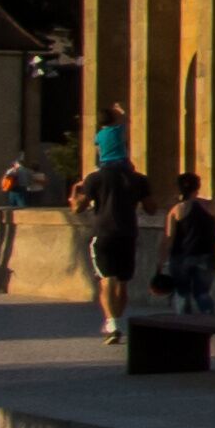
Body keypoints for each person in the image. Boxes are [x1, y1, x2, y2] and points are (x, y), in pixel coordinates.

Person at [73, 142, 151, 344]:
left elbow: (78, 208)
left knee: (107, 279)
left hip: (104, 233)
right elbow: (151, 208)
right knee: (122, 282)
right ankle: (117, 320)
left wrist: (74, 193)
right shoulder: (138, 179)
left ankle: (112, 323)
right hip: (128, 233)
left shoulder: (95, 178)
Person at [155, 174, 215, 316]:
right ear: (198, 187)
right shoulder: (212, 207)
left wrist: (160, 263)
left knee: (182, 293)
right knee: (202, 293)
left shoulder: (177, 210)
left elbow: (168, 238)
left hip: (181, 257)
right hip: (207, 256)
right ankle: (209, 320)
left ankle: (184, 328)